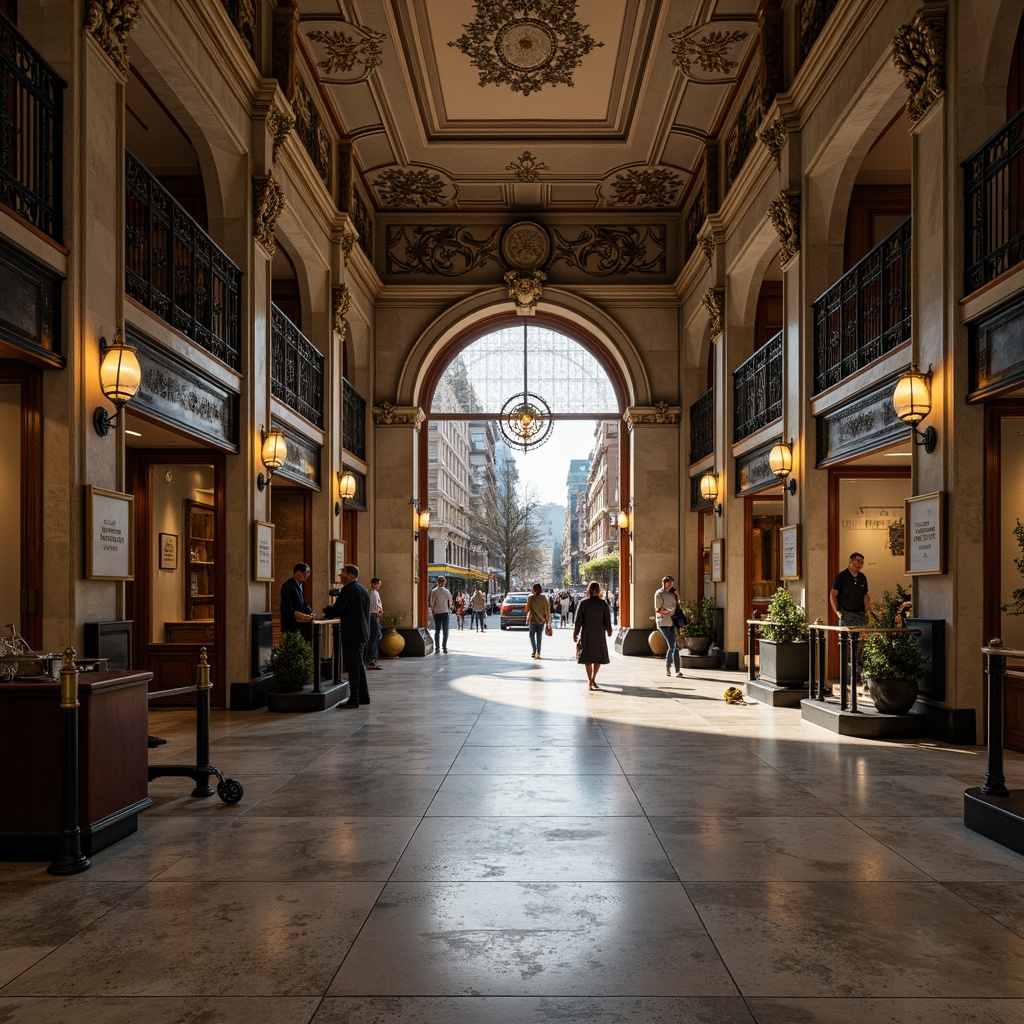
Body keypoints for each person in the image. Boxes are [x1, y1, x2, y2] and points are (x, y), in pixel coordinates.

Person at [329, 563, 371, 709]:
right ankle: (364, 696)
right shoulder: (363, 589)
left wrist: (326, 609)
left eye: (343, 572)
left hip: (352, 633)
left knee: (353, 666)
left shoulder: (348, 589)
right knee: (359, 665)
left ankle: (354, 698)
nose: (340, 575)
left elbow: (337, 609)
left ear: (351, 575)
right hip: (362, 632)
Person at [830, 552, 872, 689]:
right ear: (851, 561)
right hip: (846, 615)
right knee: (847, 647)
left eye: (862, 562)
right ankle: (847, 680)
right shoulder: (841, 577)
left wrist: (868, 611)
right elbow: (833, 595)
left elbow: (865, 594)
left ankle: (860, 677)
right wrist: (837, 612)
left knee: (861, 646)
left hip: (860, 614)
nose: (860, 564)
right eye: (858, 561)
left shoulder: (862, 577)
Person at [574, 580, 613, 690]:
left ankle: (589, 680)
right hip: (599, 633)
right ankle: (593, 679)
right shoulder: (603, 604)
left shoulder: (583, 603)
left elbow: (578, 621)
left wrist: (575, 633)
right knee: (597, 657)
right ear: (599, 590)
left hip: (586, 633)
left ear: (589, 590)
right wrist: (609, 631)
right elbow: (607, 620)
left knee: (587, 657)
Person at [654, 575, 683, 678]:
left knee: (675, 646)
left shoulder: (672, 593)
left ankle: (677, 670)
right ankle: (667, 667)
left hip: (673, 622)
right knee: (672, 645)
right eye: (669, 583)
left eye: (672, 583)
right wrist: (667, 613)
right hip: (663, 622)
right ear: (664, 583)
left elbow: (679, 602)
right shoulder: (659, 593)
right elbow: (657, 609)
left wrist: (676, 593)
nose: (671, 585)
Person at [281, 563, 316, 634]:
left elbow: (304, 603)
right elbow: (289, 609)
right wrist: (306, 617)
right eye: (305, 573)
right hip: (291, 625)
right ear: (298, 573)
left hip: (302, 625)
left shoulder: (300, 585)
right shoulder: (288, 586)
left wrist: (311, 612)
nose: (307, 576)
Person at [526, 582, 552, 659]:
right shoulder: (540, 598)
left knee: (533, 636)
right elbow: (547, 610)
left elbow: (527, 609)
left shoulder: (533, 598)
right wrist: (548, 621)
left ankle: (535, 651)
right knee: (537, 637)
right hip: (539, 621)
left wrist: (548, 621)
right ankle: (537, 652)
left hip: (535, 621)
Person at [429, 576, 453, 653]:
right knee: (445, 630)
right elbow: (450, 602)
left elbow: (432, 603)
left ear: (437, 582)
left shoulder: (434, 591)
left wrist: (433, 610)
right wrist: (449, 609)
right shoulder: (447, 591)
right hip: (445, 612)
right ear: (444, 582)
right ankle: (444, 647)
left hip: (437, 612)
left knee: (437, 630)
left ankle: (437, 647)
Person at [366, 577, 383, 669]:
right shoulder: (374, 593)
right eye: (378, 584)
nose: (379, 586)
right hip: (373, 615)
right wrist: (379, 611)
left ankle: (374, 659)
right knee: (376, 636)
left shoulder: (370, 593)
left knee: (376, 636)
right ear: (373, 584)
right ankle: (372, 659)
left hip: (372, 615)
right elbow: (376, 604)